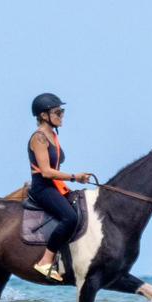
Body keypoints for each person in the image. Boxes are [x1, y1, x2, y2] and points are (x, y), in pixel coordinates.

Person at [27, 93, 90, 281]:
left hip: (55, 186)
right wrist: (74, 177)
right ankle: (45, 261)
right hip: (43, 188)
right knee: (69, 218)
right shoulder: (39, 138)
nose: (61, 115)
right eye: (57, 112)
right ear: (44, 115)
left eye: (62, 111)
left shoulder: (53, 135)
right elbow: (46, 172)